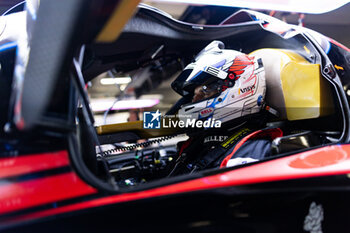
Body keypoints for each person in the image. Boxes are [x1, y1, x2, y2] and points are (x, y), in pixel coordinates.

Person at [168, 41, 283, 176]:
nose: (194, 101)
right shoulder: (198, 144)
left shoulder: (250, 152)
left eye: (204, 92)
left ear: (239, 87)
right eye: (194, 95)